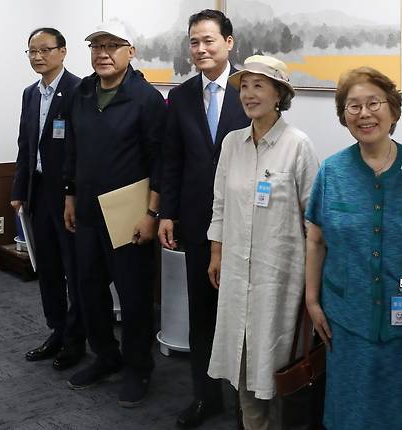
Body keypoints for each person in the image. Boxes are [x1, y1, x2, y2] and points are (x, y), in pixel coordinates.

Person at [305, 67, 402, 430]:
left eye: (373, 103)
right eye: (353, 107)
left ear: (393, 110)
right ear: (343, 116)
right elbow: (317, 240)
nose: (364, 114)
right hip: (347, 319)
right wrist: (312, 300)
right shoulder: (332, 172)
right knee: (350, 411)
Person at [206, 55, 319, 430]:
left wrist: (312, 285)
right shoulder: (232, 143)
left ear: (279, 94)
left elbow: (313, 221)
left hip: (280, 275)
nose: (249, 94)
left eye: (260, 86)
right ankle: (253, 425)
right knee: (241, 357)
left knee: (276, 362)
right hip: (237, 270)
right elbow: (219, 202)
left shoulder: (297, 145)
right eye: (245, 87)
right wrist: (216, 252)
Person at [63, 21, 166, 408]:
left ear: (131, 51)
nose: (102, 53)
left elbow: (160, 161)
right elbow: (72, 149)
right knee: (88, 291)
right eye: (96, 46)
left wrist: (152, 213)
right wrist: (70, 196)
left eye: (112, 46)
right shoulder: (82, 93)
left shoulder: (146, 99)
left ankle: (138, 367)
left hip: (130, 217)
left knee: (135, 297)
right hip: (87, 212)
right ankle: (106, 356)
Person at [158, 9, 249, 428]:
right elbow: (171, 158)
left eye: (209, 40)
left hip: (247, 224)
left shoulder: (251, 89)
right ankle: (205, 396)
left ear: (229, 42)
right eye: (194, 42)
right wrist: (167, 213)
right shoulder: (180, 96)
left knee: (249, 316)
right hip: (196, 221)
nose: (200, 49)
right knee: (204, 314)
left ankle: (251, 403)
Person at [10, 27, 85, 371]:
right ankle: (56, 330)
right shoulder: (30, 93)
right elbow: (25, 146)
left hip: (67, 197)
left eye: (45, 50)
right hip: (38, 194)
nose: (38, 56)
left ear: (63, 51)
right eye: (32, 51)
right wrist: (18, 192)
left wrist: (72, 192)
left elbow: (80, 151)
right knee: (49, 269)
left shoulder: (78, 90)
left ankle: (75, 339)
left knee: (74, 269)